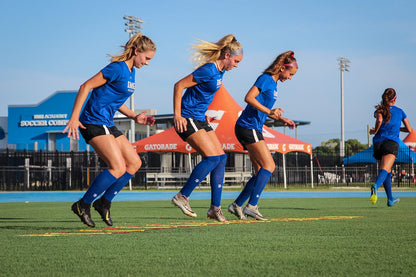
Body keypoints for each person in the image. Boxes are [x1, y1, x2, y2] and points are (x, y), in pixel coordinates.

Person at [63, 34, 156, 227]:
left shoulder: (131, 71)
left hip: (107, 123)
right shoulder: (117, 68)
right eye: (146, 58)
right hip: (93, 122)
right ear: (137, 51)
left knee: (134, 163)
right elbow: (86, 86)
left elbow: (116, 98)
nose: (147, 63)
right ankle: (83, 205)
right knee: (117, 167)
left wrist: (134, 116)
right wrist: (73, 118)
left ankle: (104, 203)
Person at [171, 34, 243, 222]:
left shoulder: (220, 71)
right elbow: (179, 85)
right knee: (211, 158)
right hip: (187, 117)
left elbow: (202, 93)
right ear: (226, 55)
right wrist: (177, 115)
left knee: (221, 158)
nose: (236, 65)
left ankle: (215, 209)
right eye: (235, 61)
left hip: (200, 118)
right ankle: (182, 196)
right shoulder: (209, 69)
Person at [228, 51, 297, 220]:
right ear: (281, 68)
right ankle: (251, 206)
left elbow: (263, 109)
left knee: (260, 171)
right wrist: (270, 111)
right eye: (290, 74)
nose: (290, 78)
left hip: (252, 127)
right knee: (270, 166)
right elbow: (249, 98)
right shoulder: (265, 79)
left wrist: (282, 118)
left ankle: (236, 205)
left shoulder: (273, 84)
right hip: (247, 127)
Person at [369, 88, 412, 207]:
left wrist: (375, 131)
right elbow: (409, 129)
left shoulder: (379, 110)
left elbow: (379, 119)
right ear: (395, 99)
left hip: (378, 143)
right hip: (390, 143)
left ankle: (390, 199)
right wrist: (397, 128)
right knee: (385, 169)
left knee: (387, 170)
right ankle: (375, 186)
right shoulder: (400, 112)